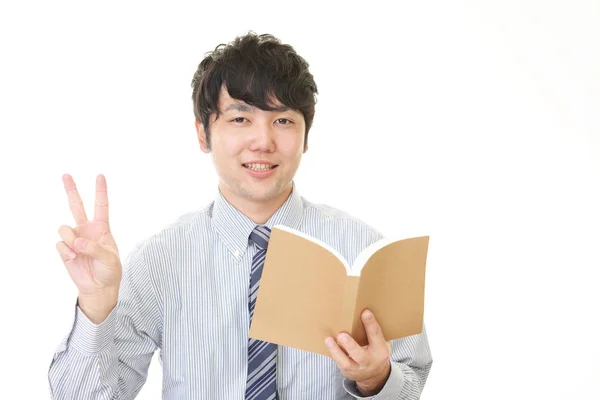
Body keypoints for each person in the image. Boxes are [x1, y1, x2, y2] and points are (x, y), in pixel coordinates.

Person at [48, 31, 433, 399]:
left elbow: (412, 378)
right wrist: (96, 306)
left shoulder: (362, 248)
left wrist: (376, 380)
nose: (263, 141)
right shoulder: (161, 259)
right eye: (240, 119)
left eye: (283, 120)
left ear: (306, 136)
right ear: (203, 134)